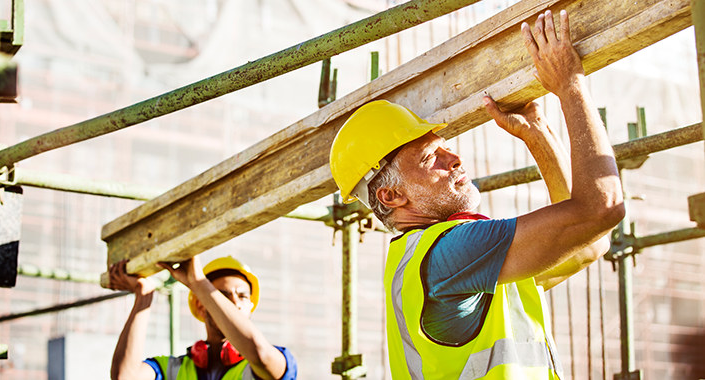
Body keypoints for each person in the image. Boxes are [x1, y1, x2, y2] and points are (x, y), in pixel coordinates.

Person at [329, 9, 625, 380]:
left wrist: (539, 134)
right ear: (391, 196)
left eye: (446, 147)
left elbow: (588, 245)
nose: (454, 158)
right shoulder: (450, 253)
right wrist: (570, 85)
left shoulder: (455, 263)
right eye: (430, 158)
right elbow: (603, 208)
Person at [109, 255, 298, 380]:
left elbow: (260, 355)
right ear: (201, 305)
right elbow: (125, 376)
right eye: (223, 296)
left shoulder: (270, 362)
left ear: (250, 306)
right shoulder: (173, 370)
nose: (235, 303)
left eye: (242, 296)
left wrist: (198, 283)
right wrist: (144, 297)